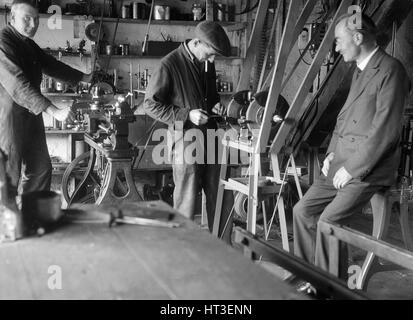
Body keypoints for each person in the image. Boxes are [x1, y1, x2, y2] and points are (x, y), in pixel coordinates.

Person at [292, 13, 411, 287]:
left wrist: (352, 168)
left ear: (358, 37)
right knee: (301, 211)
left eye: (338, 41)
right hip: (342, 162)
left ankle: (330, 288)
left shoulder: (391, 71)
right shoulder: (360, 69)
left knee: (329, 221)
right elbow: (344, 119)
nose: (336, 48)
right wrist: (331, 153)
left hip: (369, 168)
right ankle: (308, 276)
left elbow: (385, 131)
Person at [143, 21, 233, 242]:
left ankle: (223, 248)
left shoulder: (206, 63)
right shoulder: (169, 64)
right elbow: (150, 105)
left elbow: (209, 95)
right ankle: (186, 249)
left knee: (220, 192)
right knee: (187, 199)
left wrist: (214, 105)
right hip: (186, 140)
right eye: (210, 54)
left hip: (211, 136)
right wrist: (187, 114)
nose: (212, 60)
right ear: (196, 43)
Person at [0, 0, 92, 205]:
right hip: (9, 117)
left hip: (30, 113)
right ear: (12, 18)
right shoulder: (3, 42)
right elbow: (18, 84)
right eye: (27, 19)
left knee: (41, 168)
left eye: (36, 19)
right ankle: (8, 229)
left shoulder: (28, 44)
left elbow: (51, 65)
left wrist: (84, 78)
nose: (33, 25)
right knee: (9, 176)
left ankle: (31, 215)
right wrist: (54, 111)